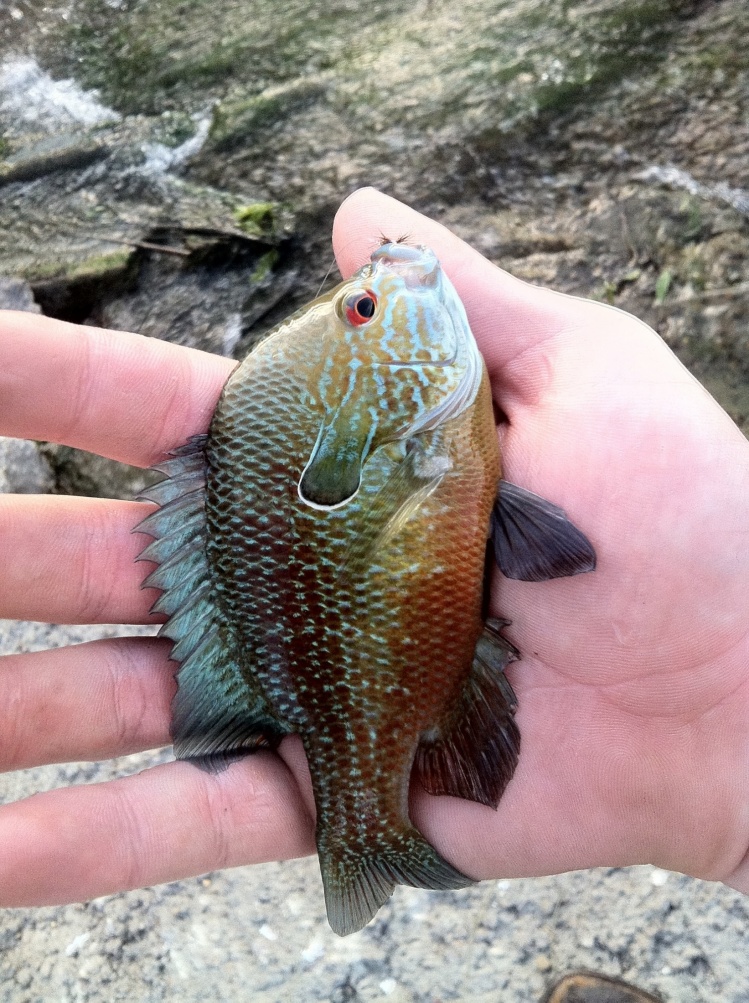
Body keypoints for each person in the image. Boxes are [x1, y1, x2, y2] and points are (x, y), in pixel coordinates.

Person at [0, 187, 748, 910]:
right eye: (364, 308)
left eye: (359, 307)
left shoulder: (418, 441)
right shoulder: (429, 445)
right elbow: (532, 542)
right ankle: (363, 833)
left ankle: (368, 837)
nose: (380, 285)